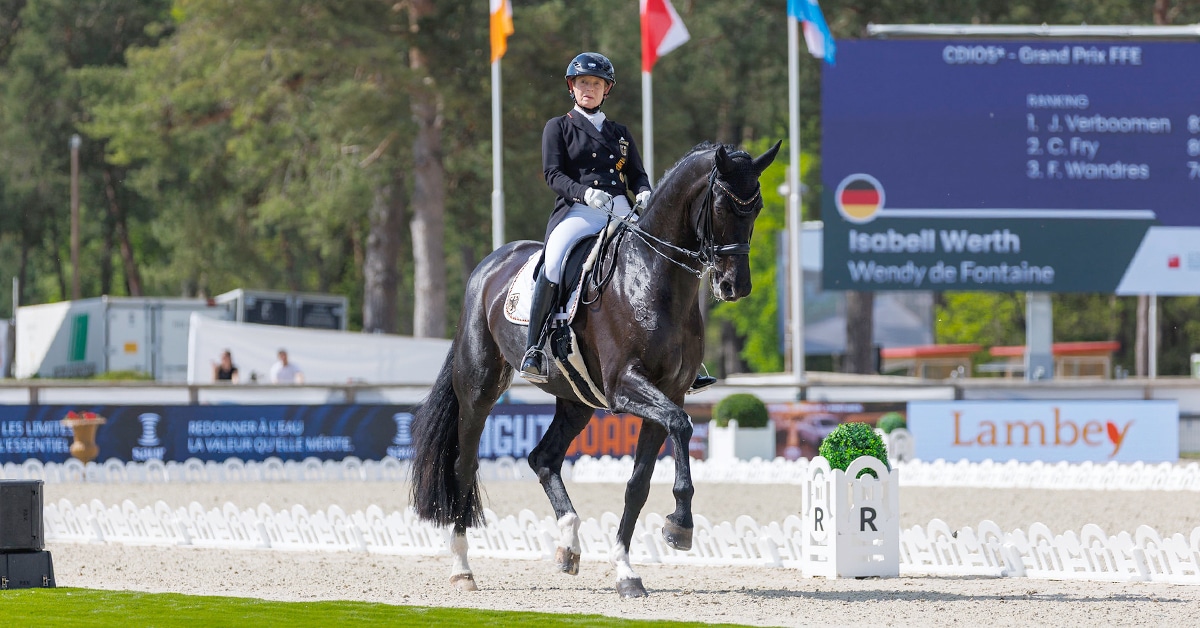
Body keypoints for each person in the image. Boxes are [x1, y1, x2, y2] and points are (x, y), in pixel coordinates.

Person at [520, 52, 717, 394]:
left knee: (665, 261)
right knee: (552, 260)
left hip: (622, 209)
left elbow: (637, 174)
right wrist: (584, 194)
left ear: (605, 90)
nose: (589, 89)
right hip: (578, 211)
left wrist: (644, 192)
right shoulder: (559, 127)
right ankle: (535, 348)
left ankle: (687, 355)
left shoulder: (619, 133)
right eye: (583, 83)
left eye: (596, 84)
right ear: (572, 86)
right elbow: (553, 174)